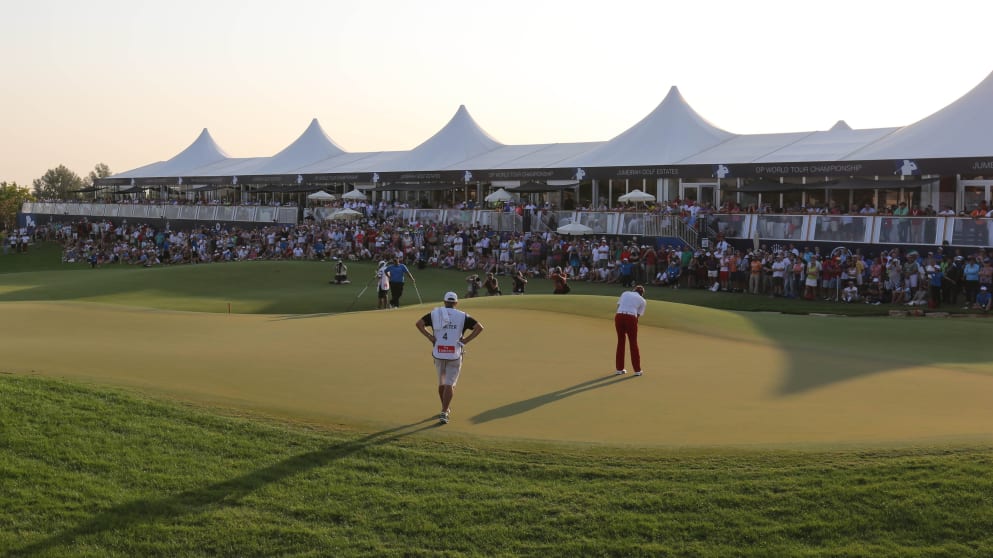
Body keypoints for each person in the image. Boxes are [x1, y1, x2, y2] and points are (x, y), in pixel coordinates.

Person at [414, 292, 484, 424]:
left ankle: (445, 408)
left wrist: (430, 337)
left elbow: (419, 324)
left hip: (439, 353)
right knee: (449, 384)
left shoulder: (435, 313)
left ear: (444, 302)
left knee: (442, 383)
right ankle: (444, 411)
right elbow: (479, 328)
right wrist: (465, 341)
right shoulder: (463, 315)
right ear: (456, 303)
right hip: (455, 354)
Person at [614, 285, 647, 376]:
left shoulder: (625, 293)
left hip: (619, 316)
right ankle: (637, 370)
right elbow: (638, 315)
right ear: (642, 294)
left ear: (633, 290)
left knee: (621, 341)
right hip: (631, 317)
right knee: (633, 343)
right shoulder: (642, 300)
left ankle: (619, 369)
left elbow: (618, 306)